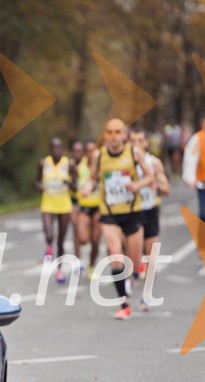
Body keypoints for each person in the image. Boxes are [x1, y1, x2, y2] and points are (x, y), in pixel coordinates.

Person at [81, 118, 153, 320]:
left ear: (124, 135)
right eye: (110, 132)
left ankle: (133, 276)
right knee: (115, 256)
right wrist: (88, 186)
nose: (113, 136)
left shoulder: (134, 153)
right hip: (110, 214)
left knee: (135, 261)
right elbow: (93, 177)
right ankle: (124, 305)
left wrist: (138, 186)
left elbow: (150, 177)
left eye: (117, 132)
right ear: (105, 135)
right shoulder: (99, 156)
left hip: (132, 213)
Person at [128, 129, 170, 307]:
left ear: (145, 143)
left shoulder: (154, 162)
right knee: (132, 256)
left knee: (151, 254)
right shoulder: (124, 162)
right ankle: (130, 279)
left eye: (140, 140)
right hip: (131, 212)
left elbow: (166, 189)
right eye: (133, 141)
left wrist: (155, 185)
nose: (136, 144)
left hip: (150, 210)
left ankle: (147, 293)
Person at [37, 138, 75, 283]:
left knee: (61, 240)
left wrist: (69, 182)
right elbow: (37, 181)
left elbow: (75, 186)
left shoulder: (69, 164)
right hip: (47, 203)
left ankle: (59, 270)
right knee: (49, 234)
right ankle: (49, 246)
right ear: (50, 149)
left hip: (64, 205)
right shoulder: (43, 163)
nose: (56, 150)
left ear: (63, 149)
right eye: (53, 148)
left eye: (59, 147)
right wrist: (39, 186)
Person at [71, 140, 101, 279]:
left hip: (98, 207)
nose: (91, 153)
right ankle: (88, 229)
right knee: (83, 239)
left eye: (93, 150)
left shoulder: (101, 166)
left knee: (95, 240)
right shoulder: (79, 167)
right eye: (88, 150)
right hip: (84, 206)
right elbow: (73, 184)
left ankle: (91, 266)